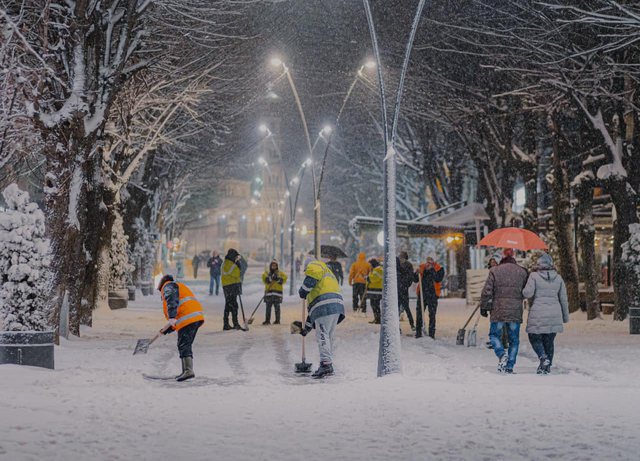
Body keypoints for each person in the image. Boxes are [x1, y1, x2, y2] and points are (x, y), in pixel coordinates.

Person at [480, 248, 529, 373]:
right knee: (514, 340)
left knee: (494, 335)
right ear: (514, 256)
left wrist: (484, 307)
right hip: (515, 311)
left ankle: (502, 354)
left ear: (502, 257)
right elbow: (527, 292)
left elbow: (487, 291)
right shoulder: (523, 272)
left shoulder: (495, 271)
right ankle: (509, 366)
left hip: (498, 310)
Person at [295, 259, 345, 378]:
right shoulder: (327, 274)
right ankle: (328, 362)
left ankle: (326, 364)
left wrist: (303, 290)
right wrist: (306, 328)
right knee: (328, 335)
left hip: (325, 305)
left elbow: (310, 279)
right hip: (335, 305)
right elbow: (314, 312)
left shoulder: (314, 266)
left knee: (322, 335)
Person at [522, 253, 570, 374]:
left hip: (538, 312)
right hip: (554, 314)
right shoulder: (558, 278)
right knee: (549, 341)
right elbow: (563, 299)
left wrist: (524, 286)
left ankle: (543, 357)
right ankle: (546, 367)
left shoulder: (534, 276)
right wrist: (565, 317)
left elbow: (527, 293)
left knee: (534, 337)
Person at [157, 274, 205, 382]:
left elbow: (172, 301)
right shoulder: (175, 286)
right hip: (193, 317)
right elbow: (175, 320)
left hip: (189, 317)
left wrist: (172, 316)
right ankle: (186, 371)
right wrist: (165, 330)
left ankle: (188, 371)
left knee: (184, 344)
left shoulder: (168, 286)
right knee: (184, 343)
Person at [414, 256, 445, 339]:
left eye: (431, 260)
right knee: (419, 313)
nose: (429, 262)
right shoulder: (421, 267)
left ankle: (431, 334)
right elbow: (415, 280)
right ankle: (418, 332)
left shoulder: (439, 268)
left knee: (432, 314)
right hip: (422, 294)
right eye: (428, 260)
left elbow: (438, 279)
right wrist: (416, 273)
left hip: (433, 295)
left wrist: (432, 269)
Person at [221, 248, 247, 330]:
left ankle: (227, 323)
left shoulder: (226, 263)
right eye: (236, 257)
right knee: (233, 305)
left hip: (228, 286)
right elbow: (237, 274)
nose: (236, 259)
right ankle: (234, 323)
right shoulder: (230, 264)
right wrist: (239, 266)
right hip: (231, 286)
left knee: (229, 305)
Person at [262, 259, 287, 325]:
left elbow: (284, 279)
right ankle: (267, 320)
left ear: (277, 266)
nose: (273, 266)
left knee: (277, 308)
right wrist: (270, 278)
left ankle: (277, 320)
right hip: (268, 294)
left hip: (277, 294)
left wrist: (278, 279)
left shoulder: (280, 273)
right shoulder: (267, 273)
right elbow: (265, 279)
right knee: (268, 308)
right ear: (270, 265)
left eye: (275, 265)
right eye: (272, 265)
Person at [397, 252, 415, 332]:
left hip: (403, 290)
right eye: (400, 258)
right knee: (396, 309)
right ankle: (397, 327)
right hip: (397, 290)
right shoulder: (397, 265)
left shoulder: (409, 266)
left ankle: (412, 325)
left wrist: (404, 284)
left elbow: (410, 277)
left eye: (402, 258)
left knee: (407, 308)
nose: (401, 259)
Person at [366, 258, 383, 324]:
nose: (369, 266)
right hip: (374, 290)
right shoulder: (375, 269)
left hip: (376, 290)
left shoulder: (378, 269)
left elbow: (374, 278)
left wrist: (368, 278)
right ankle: (376, 318)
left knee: (375, 304)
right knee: (374, 304)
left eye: (370, 264)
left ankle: (378, 319)